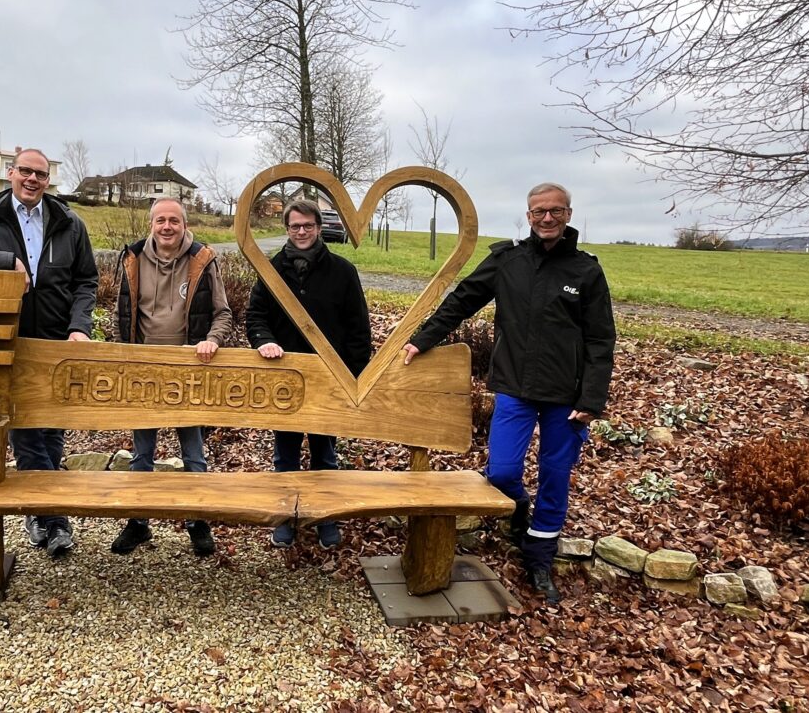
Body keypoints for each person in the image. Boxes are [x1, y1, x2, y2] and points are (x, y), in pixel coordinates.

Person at [402, 182, 615, 604]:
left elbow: (600, 339)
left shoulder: (586, 271)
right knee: (500, 472)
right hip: (515, 388)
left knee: (555, 475)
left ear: (568, 215)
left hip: (566, 397)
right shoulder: (507, 260)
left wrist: (592, 399)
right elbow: (462, 300)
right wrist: (423, 339)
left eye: (556, 211)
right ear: (528, 215)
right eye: (539, 211)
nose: (547, 218)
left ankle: (539, 557)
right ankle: (518, 509)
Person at [0, 147, 98, 558]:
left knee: (53, 429)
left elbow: (86, 281)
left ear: (48, 181)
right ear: (11, 173)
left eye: (40, 174)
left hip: (57, 343)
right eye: (25, 171)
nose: (32, 179)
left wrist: (79, 327)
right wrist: (6, 260)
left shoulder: (69, 223)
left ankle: (37, 512)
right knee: (25, 431)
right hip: (7, 340)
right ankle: (55, 519)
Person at [109, 197, 233, 557]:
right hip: (144, 372)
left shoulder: (202, 259)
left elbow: (223, 313)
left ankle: (197, 521)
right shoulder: (132, 258)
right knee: (141, 455)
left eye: (174, 221)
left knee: (194, 455)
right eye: (160, 220)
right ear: (151, 224)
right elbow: (120, 314)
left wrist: (212, 341)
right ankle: (138, 522)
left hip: (188, 373)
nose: (167, 226)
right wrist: (123, 354)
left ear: (184, 225)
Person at [245, 200, 372, 549]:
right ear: (287, 229)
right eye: (295, 226)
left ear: (319, 227)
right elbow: (256, 315)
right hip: (284, 380)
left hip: (329, 381)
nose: (301, 232)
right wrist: (264, 341)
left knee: (324, 454)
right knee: (285, 453)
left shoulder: (343, 272)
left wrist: (351, 379)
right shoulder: (272, 269)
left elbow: (359, 330)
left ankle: (324, 517)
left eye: (308, 226)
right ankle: (286, 516)